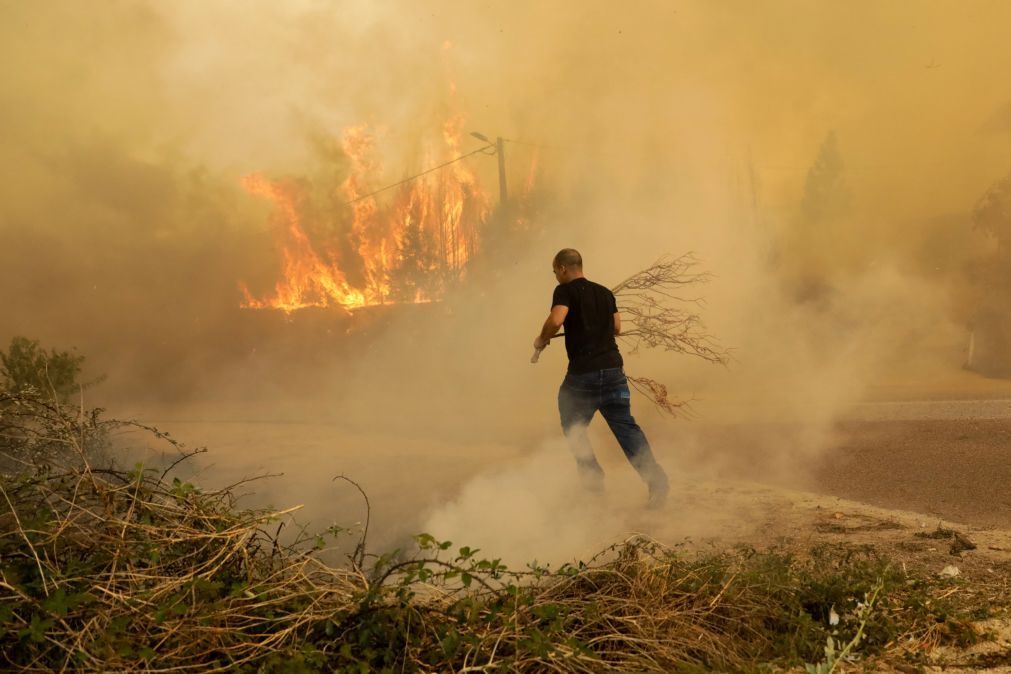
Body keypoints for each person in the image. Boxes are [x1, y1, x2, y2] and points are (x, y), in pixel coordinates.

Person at [533, 248, 670, 508]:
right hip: (613, 373)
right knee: (627, 430)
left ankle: (592, 481)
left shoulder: (565, 291)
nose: (555, 276)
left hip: (583, 377)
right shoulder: (606, 293)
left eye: (554, 272)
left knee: (573, 425)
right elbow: (617, 328)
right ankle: (657, 482)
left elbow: (556, 319)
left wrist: (542, 338)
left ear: (562, 268)